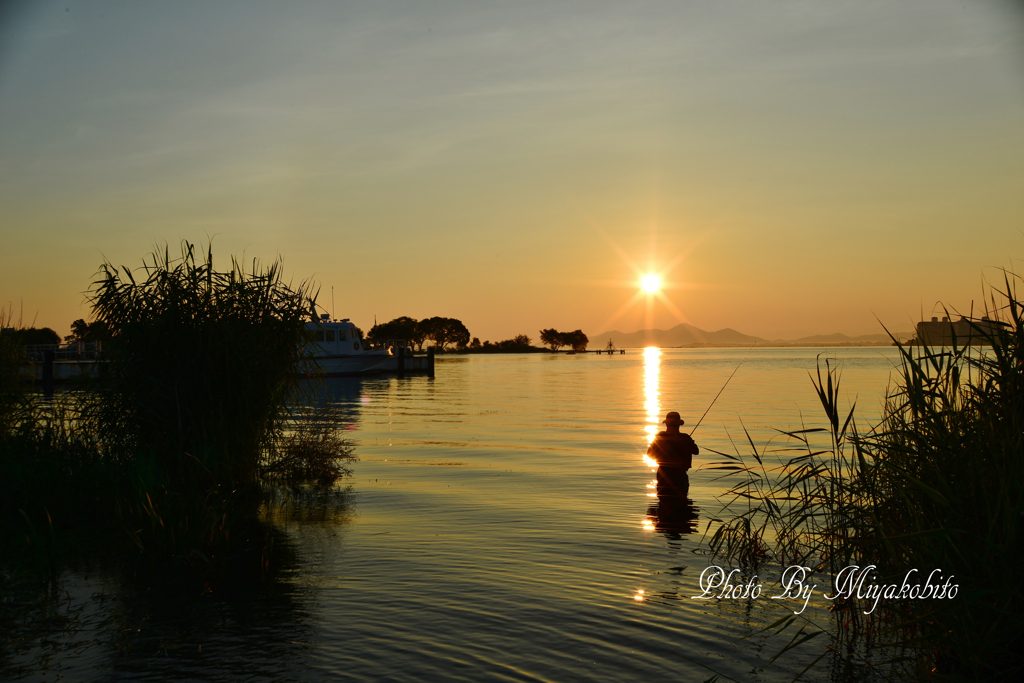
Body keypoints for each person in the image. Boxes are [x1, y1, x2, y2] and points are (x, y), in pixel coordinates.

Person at [647, 411, 698, 496]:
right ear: (679, 425)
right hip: (680, 476)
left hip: (663, 476)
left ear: (666, 424)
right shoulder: (685, 438)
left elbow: (649, 454)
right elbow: (696, 451)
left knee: (663, 500)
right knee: (681, 500)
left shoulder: (660, 437)